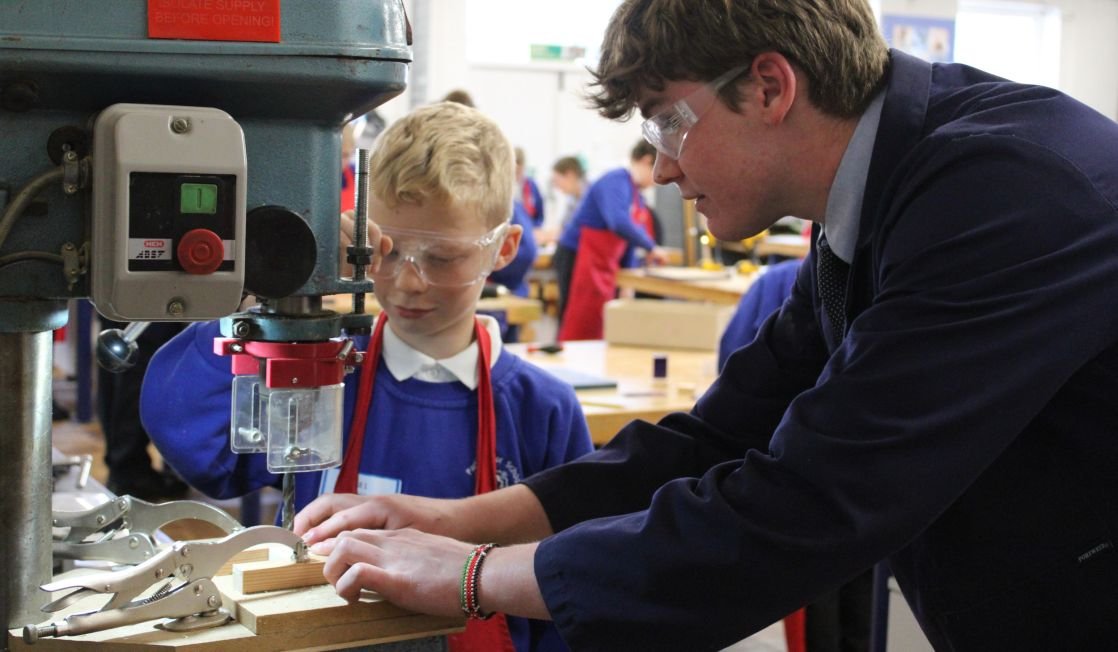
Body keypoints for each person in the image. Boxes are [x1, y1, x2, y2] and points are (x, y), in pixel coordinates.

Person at [293, 1, 1118, 650]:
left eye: (666, 122)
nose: (662, 169)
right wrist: (452, 519)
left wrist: (474, 578)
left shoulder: (1002, 195)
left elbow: (805, 506)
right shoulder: (866, 209)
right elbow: (708, 443)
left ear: (769, 86)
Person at [141, 101, 594, 652]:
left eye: (442, 258)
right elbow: (191, 436)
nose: (409, 281)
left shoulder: (541, 409)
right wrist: (260, 293)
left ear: (503, 249)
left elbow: (571, 586)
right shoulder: (324, 373)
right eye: (385, 250)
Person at [552, 140, 669, 341]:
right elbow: (619, 222)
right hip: (576, 257)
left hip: (601, 265)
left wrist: (628, 278)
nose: (659, 180)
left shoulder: (635, 194)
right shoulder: (615, 181)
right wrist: (651, 247)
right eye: (660, 170)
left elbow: (628, 239)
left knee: (596, 322)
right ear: (646, 161)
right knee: (575, 318)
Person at [515, 147, 545, 228]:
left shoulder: (532, 185)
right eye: (515, 170)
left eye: (519, 170)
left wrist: (535, 228)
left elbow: (540, 213)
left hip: (532, 229)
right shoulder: (506, 187)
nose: (517, 174)